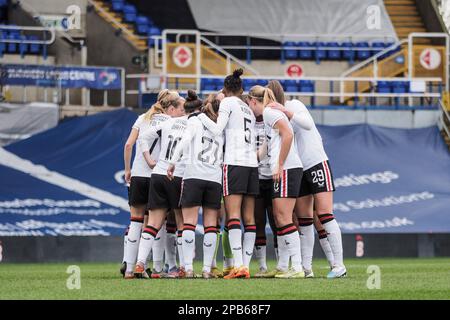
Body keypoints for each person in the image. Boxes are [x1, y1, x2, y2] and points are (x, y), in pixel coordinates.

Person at [267, 80, 346, 279]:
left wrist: (286, 111)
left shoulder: (294, 105)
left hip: (316, 161)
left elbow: (308, 125)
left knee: (325, 214)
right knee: (304, 220)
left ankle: (339, 265)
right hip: (299, 168)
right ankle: (306, 268)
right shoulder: (274, 117)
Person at [196, 69, 258, 279]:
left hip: (235, 163)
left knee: (232, 215)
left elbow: (216, 129)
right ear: (241, 89)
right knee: (249, 218)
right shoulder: (248, 108)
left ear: (225, 88)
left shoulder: (228, 103)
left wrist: (200, 116)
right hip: (252, 164)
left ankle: (238, 265)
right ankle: (245, 266)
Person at [247, 85, 305, 278]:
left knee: (283, 218)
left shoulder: (270, 112)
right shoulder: (268, 116)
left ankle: (297, 268)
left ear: (253, 101)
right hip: (285, 168)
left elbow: (288, 134)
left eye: (249, 104)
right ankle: (284, 267)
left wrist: (279, 165)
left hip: (287, 168)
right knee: (281, 219)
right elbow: (264, 149)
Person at [167, 91, 224, 279]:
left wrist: (172, 162)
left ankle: (189, 268)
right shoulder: (221, 124)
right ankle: (207, 269)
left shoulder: (194, 120)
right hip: (214, 178)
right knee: (210, 225)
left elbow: (183, 142)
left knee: (189, 224)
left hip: (194, 176)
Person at [122, 89, 174, 279]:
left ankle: (128, 269)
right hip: (157, 175)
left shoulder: (142, 117)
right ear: (171, 105)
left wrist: (128, 169)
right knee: (157, 223)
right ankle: (157, 269)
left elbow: (128, 145)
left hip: (138, 174)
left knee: (135, 221)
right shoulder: (170, 121)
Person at [133, 92, 186, 278]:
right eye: (181, 107)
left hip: (157, 174)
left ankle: (140, 264)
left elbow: (143, 137)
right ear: (174, 108)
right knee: (181, 222)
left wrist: (149, 159)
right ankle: (184, 268)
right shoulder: (190, 124)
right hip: (176, 175)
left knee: (153, 223)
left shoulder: (167, 123)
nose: (182, 110)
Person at [253, 114, 278, 278]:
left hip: (274, 176)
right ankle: (262, 266)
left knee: (278, 223)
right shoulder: (246, 121)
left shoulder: (273, 121)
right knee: (258, 223)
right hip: (256, 177)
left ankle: (281, 264)